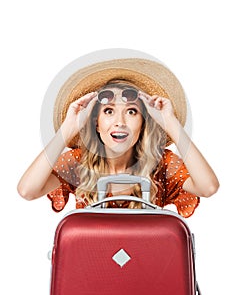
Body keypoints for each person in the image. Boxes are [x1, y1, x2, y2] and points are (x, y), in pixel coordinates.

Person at [17, 58, 219, 217]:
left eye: (131, 112)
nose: (120, 121)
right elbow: (28, 190)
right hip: (93, 265)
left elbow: (208, 187)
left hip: (148, 266)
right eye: (108, 111)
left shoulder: (162, 164)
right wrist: (68, 129)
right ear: (96, 122)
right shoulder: (79, 162)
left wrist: (169, 122)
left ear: (143, 122)